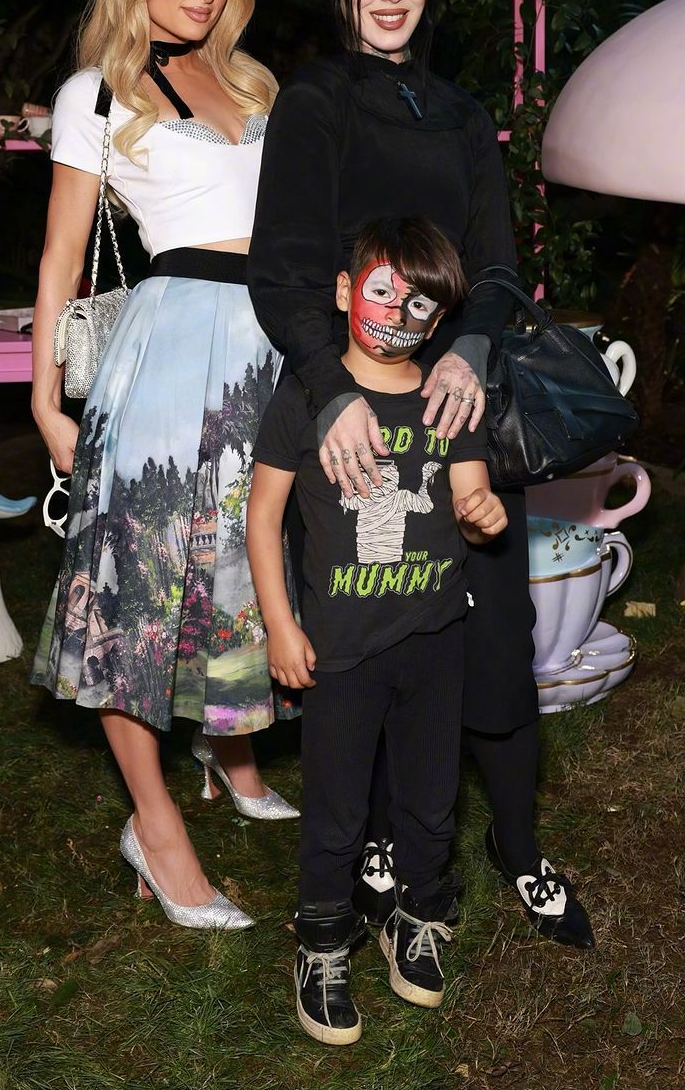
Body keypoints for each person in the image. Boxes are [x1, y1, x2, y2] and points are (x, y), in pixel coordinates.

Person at [248, 0, 594, 951]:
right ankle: (382, 845)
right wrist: (332, 389)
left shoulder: (460, 115)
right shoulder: (314, 104)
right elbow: (283, 271)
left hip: (460, 413)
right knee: (371, 637)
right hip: (356, 415)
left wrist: (476, 348)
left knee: (492, 643)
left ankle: (518, 848)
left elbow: (496, 265)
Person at [31, 0, 298, 934]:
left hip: (269, 346)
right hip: (170, 354)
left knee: (240, 565)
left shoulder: (251, 82)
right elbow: (61, 256)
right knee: (136, 589)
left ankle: (230, 749)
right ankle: (157, 827)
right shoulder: (95, 94)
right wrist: (45, 400)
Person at [248, 217, 509, 1043]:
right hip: (341, 650)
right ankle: (323, 943)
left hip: (435, 638)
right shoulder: (305, 398)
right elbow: (262, 519)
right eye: (384, 291)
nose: (399, 314)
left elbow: (469, 500)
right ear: (343, 291)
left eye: (420, 304)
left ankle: (419, 918)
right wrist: (280, 625)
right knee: (336, 811)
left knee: (430, 803)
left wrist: (483, 513)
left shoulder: (447, 399)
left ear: (439, 319)